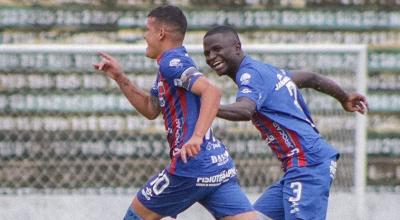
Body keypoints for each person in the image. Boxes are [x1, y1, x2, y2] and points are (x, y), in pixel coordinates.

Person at [94, 6, 256, 220]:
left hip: (190, 166)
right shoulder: (171, 64)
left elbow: (212, 92)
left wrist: (196, 137)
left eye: (147, 29)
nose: (145, 35)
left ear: (160, 33)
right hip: (218, 166)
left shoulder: (171, 63)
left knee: (135, 217)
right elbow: (151, 109)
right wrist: (120, 78)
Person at [202, 25, 368, 220]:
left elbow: (246, 110)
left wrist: (208, 107)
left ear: (237, 47)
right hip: (297, 167)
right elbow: (311, 78)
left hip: (309, 164)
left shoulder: (251, 75)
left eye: (217, 49)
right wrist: (344, 97)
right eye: (207, 53)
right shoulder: (265, 71)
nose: (211, 56)